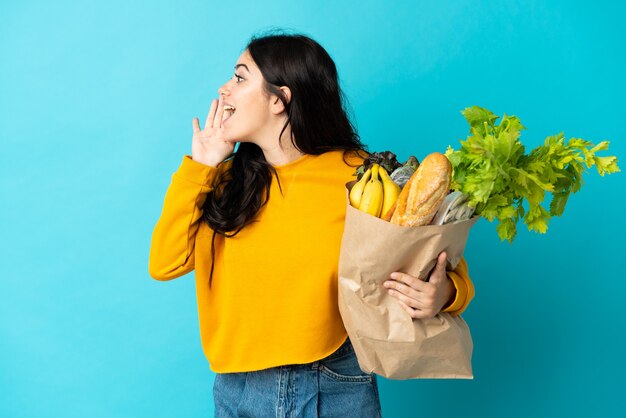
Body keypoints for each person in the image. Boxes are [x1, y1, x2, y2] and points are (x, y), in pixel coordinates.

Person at [149, 31, 474, 417]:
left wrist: (447, 294)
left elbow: (437, 262)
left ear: (279, 99)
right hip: (238, 390)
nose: (224, 89)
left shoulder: (363, 177)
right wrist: (202, 166)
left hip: (334, 383)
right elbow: (165, 263)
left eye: (239, 77)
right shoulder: (221, 182)